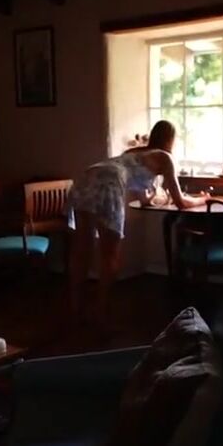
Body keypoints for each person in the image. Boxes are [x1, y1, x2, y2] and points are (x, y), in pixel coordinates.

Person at [66, 120, 206, 325]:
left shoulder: (132, 153)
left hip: (87, 176)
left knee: (82, 248)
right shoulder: (165, 157)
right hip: (109, 182)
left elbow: (143, 198)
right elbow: (181, 202)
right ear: (171, 140)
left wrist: (154, 195)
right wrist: (204, 199)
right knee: (110, 253)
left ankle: (75, 308)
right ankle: (101, 310)